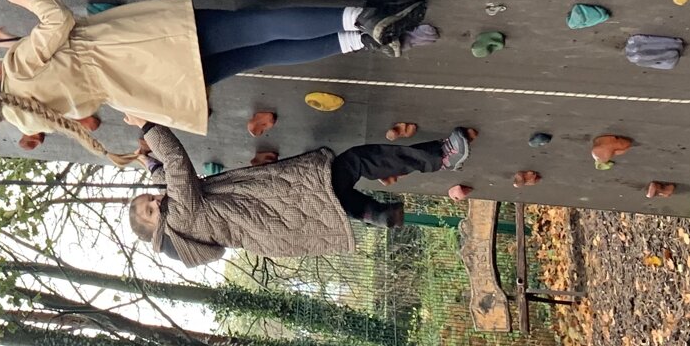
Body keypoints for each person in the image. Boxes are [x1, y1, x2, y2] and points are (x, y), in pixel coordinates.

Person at [0, 0, 428, 165]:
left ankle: (358, 40)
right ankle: (360, 19)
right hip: (145, 50)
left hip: (152, 87)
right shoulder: (16, 70)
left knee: (262, 51)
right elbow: (59, 24)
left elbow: (53, 69)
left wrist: (14, 49)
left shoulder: (30, 117)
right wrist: (28, 0)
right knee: (254, 25)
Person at [126, 121, 472, 264]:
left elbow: (172, 182)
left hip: (279, 223)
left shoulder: (186, 224)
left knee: (330, 195)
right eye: (151, 210)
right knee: (356, 163)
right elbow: (177, 165)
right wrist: (147, 125)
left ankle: (375, 214)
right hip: (282, 207)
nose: (155, 200)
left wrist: (149, 165)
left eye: (148, 199)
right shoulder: (183, 217)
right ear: (160, 228)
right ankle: (440, 156)